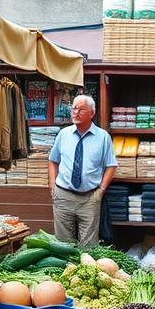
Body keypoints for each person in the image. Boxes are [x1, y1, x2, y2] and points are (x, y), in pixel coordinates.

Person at [48, 94, 117, 246]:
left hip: (89, 198)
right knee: (63, 245)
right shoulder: (63, 134)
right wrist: (52, 186)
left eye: (80, 109)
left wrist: (101, 191)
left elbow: (111, 165)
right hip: (63, 195)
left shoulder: (103, 137)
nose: (75, 112)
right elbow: (53, 160)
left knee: (89, 246)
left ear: (92, 113)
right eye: (73, 108)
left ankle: (85, 269)